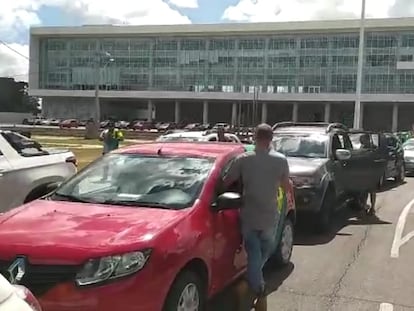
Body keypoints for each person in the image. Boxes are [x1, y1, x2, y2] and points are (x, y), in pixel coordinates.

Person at [224, 123, 290, 311]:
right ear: (271, 139)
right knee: (265, 249)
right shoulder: (281, 160)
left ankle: (251, 283)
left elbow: (227, 180)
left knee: (253, 250)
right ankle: (258, 288)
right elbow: (286, 187)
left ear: (254, 137)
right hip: (269, 215)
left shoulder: (243, 159)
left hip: (249, 214)